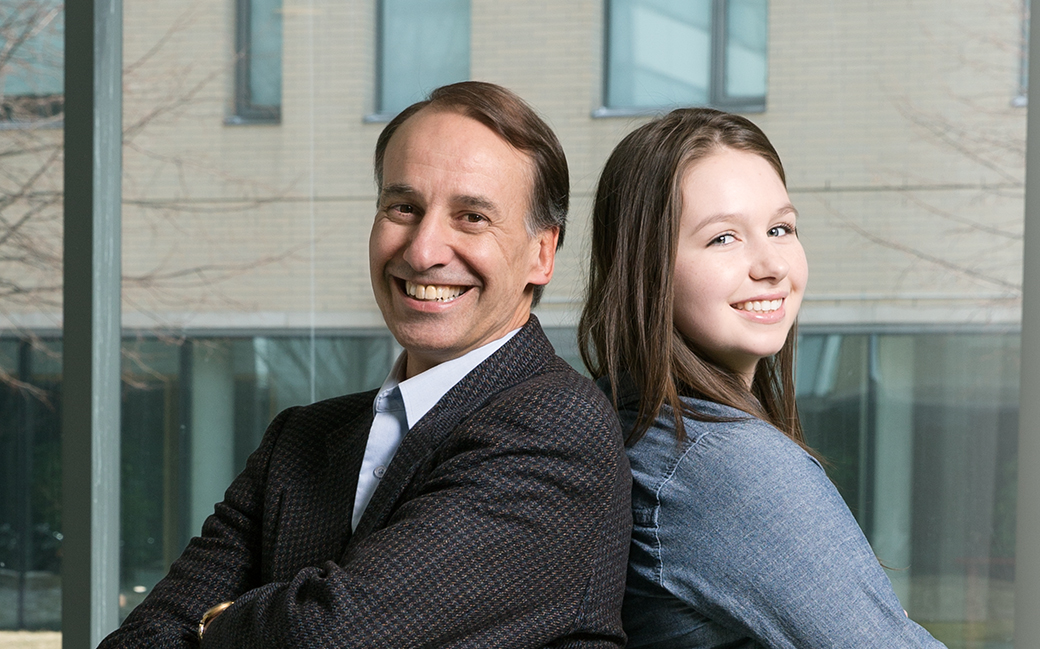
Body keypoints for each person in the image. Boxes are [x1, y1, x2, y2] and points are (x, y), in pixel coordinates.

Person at [100, 82, 632, 648]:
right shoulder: (299, 439)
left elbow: (332, 635)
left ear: (541, 253)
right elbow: (138, 638)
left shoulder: (559, 426)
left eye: (472, 216)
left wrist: (211, 624)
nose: (424, 250)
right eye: (403, 207)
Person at [578, 108, 946, 647]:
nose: (771, 263)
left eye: (780, 228)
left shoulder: (619, 416)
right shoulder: (722, 461)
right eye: (723, 238)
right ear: (645, 266)